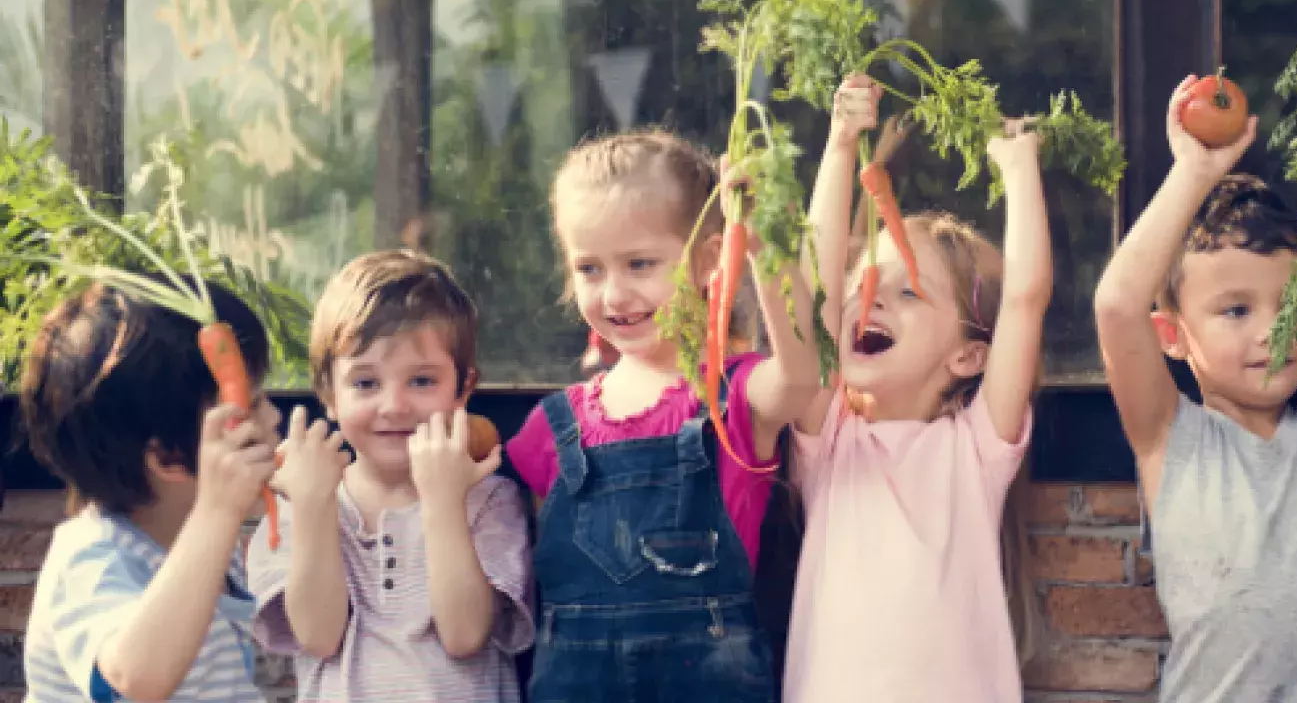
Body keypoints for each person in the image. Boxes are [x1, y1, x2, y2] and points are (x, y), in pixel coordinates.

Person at [1093, 71, 1297, 701]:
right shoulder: (1170, 438)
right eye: (1236, 310)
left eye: (1292, 302)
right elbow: (1116, 306)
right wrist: (1192, 173)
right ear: (1171, 334)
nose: (1274, 332)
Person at [504, 129, 822, 701]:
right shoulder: (550, 429)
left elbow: (802, 375)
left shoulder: (735, 397)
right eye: (589, 269)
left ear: (706, 260)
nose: (614, 294)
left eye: (639, 263)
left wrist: (760, 241)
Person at [781, 76, 1049, 703]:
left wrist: (1018, 170)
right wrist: (841, 144)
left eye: (908, 292)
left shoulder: (978, 450)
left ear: (968, 354)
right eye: (867, 285)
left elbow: (1027, 300)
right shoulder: (829, 441)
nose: (871, 299)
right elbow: (815, 290)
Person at [248, 249, 534, 700]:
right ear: (329, 393)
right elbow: (319, 636)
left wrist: (443, 501)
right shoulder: (299, 503)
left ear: (463, 389)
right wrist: (312, 506)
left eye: (421, 381)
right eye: (365, 383)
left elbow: (464, 635)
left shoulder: (488, 498)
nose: (394, 405)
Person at [20, 280, 277, 702]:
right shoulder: (93, 558)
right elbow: (137, 677)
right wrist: (216, 513)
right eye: (250, 407)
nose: (272, 420)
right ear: (170, 459)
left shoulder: (195, 536)